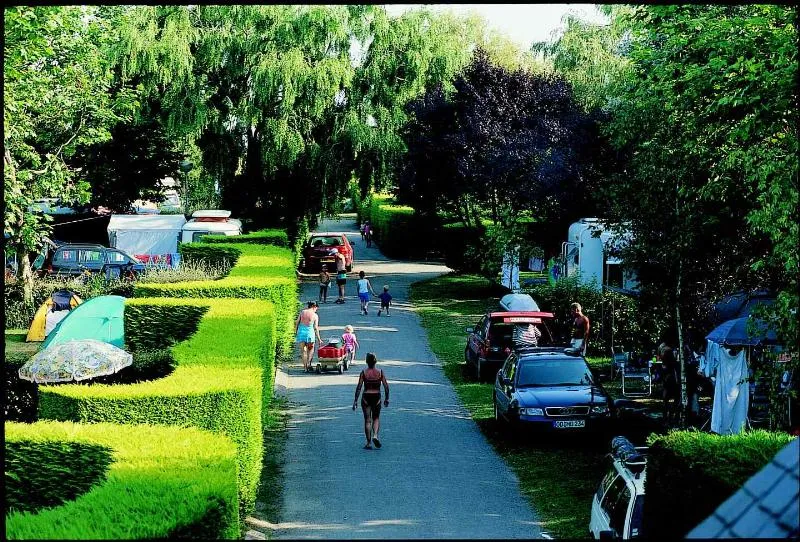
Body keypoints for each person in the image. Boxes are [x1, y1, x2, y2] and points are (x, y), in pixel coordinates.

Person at [353, 352, 390, 449]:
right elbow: (386, 386)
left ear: (366, 362)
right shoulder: (380, 372)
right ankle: (375, 436)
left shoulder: (363, 373)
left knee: (367, 420)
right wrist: (386, 398)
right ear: (375, 361)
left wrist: (355, 401)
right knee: (376, 418)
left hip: (366, 397)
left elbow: (359, 387)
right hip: (376, 396)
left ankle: (369, 442)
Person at [295, 301, 322, 372]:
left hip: (301, 333)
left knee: (303, 351)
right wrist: (319, 339)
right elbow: (316, 327)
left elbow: (297, 322)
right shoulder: (315, 315)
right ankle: (309, 364)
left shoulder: (302, 312)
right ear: (314, 306)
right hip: (310, 333)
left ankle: (305, 368)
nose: (316, 309)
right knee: (310, 350)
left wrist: (296, 332)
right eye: (316, 308)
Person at [658, 343, 680, 425]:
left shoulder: (668, 364)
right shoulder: (672, 363)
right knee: (671, 400)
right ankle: (669, 416)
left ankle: (668, 417)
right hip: (671, 383)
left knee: (667, 400)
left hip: (670, 383)